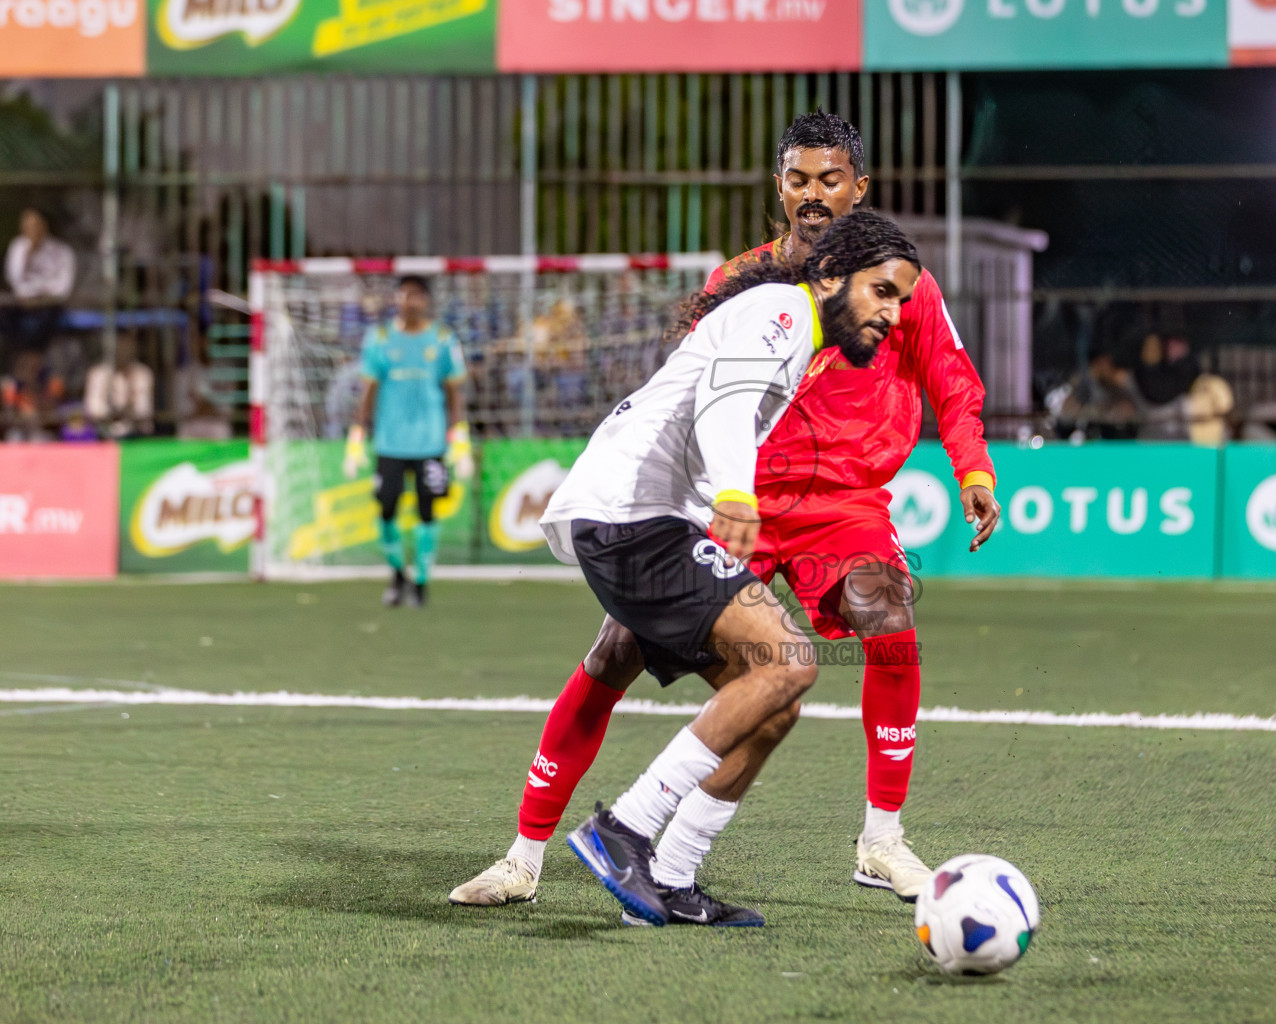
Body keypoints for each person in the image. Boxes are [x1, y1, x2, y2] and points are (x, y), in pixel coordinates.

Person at [450, 114, 1000, 913]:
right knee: (617, 653)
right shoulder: (752, 288)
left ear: (859, 186)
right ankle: (526, 855)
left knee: (881, 615)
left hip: (840, 501)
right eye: (799, 179)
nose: (815, 195)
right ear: (779, 186)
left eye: (831, 179)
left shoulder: (897, 280)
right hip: (729, 498)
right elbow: (707, 394)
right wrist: (724, 493)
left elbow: (951, 376)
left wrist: (973, 465)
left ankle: (879, 840)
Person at [526, 210, 922, 928]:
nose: (894, 314)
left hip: (641, 518)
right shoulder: (782, 309)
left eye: (901, 298)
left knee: (773, 703)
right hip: (632, 516)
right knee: (790, 660)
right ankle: (624, 830)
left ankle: (671, 880)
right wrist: (737, 498)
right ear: (832, 276)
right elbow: (726, 404)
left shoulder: (796, 332)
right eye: (882, 292)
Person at [344, 275, 473, 608]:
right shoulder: (381, 337)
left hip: (431, 443)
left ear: (426, 301)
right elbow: (368, 390)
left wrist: (459, 439)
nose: (409, 301)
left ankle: (421, 582)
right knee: (386, 507)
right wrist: (356, 437)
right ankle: (397, 573)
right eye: (404, 294)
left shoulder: (443, 339)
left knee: (427, 511)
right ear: (395, 298)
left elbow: (453, 391)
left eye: (417, 295)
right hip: (390, 443)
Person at [2, 209, 75, 428]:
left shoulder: (61, 251)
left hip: (49, 306)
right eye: (26, 225)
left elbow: (62, 287)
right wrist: (29, 253)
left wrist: (40, 295)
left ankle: (31, 356)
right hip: (22, 305)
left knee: (45, 315)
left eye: (34, 225)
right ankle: (21, 358)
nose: (29, 230)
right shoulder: (19, 247)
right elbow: (15, 279)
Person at [84, 334, 155, 439]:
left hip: (137, 434)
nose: (123, 351)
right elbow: (93, 409)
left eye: (127, 347)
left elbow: (143, 410)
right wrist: (111, 415)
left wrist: (130, 404)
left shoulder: (142, 373)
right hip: (104, 434)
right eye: (120, 346)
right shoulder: (98, 373)